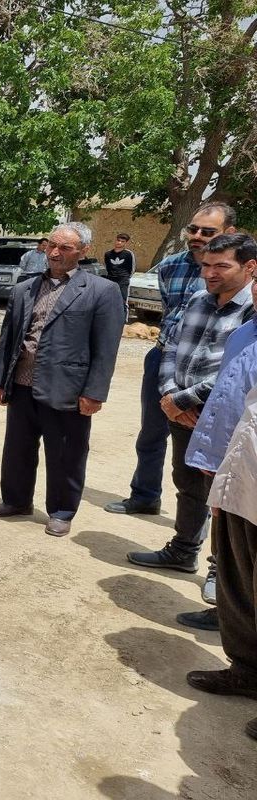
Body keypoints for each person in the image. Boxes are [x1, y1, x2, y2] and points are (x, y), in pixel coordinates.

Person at [0, 222, 126, 536]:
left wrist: (95, 393)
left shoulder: (102, 291)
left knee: (65, 454)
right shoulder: (26, 287)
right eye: (51, 246)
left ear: (83, 251)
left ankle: (61, 511)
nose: (55, 253)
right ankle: (16, 501)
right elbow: (8, 337)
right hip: (21, 384)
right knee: (17, 449)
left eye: (65, 248)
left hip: (68, 390)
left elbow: (106, 349)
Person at [127, 233, 254, 571]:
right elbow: (169, 347)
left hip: (222, 420)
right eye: (206, 265)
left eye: (222, 266)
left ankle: (220, 571)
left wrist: (184, 400)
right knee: (188, 484)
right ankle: (183, 550)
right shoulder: (198, 299)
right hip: (182, 411)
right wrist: (170, 395)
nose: (210, 273)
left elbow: (236, 371)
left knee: (226, 499)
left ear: (249, 267)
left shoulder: (252, 310)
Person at [106, 203, 236, 516]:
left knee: (202, 442)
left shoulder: (238, 273)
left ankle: (200, 520)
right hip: (163, 359)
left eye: (208, 231)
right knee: (151, 433)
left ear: (229, 234)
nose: (197, 236)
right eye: (193, 229)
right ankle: (145, 495)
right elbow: (170, 318)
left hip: (209, 372)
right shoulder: (170, 266)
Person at [179, 236, 257, 630]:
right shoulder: (246, 334)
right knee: (234, 553)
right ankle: (239, 651)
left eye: (220, 266)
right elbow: (228, 395)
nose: (210, 273)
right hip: (230, 458)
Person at [187, 382, 257, 742]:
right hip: (245, 485)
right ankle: (247, 672)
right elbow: (249, 419)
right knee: (239, 589)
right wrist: (224, 486)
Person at [103, 232, 135, 308]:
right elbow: (107, 266)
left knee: (122, 302)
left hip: (122, 280)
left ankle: (123, 319)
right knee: (108, 301)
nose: (119, 242)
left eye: (122, 241)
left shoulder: (128, 254)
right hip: (110, 279)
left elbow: (132, 268)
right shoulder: (108, 254)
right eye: (118, 240)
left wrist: (125, 277)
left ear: (126, 243)